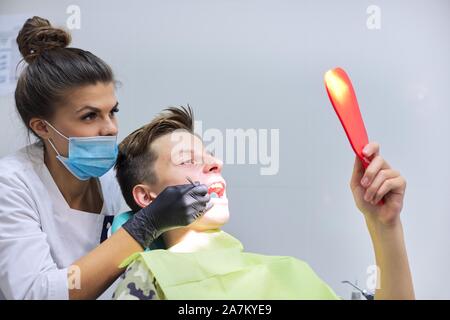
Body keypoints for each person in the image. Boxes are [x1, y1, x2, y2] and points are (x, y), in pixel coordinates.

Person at [0, 17, 210, 300]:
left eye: (112, 111)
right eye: (89, 116)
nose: (110, 128)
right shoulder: (11, 185)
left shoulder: (110, 176)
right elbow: (37, 294)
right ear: (41, 127)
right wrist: (145, 225)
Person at [112, 106, 415, 300]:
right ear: (147, 197)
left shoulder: (292, 273)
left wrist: (384, 225)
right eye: (188, 160)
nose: (215, 163)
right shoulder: (148, 278)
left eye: (210, 156)